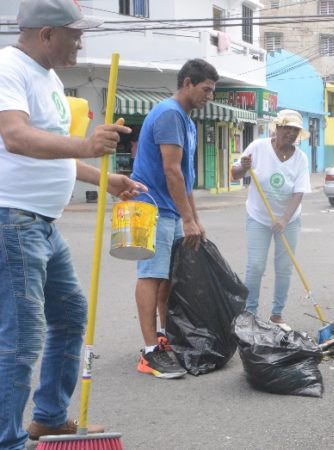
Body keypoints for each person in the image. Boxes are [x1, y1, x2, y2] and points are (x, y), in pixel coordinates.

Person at [0, 1, 144, 446]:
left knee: (69, 316)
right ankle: (8, 440)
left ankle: (48, 416)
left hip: (41, 222)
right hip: (14, 219)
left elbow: (59, 153)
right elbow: (16, 136)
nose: (81, 41)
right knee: (23, 338)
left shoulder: (51, 77)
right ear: (46, 33)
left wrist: (107, 178)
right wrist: (85, 145)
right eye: (74, 33)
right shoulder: (9, 68)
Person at [130, 58, 219, 379]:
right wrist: (187, 218)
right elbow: (170, 171)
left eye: (212, 91)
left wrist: (195, 218)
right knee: (151, 275)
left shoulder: (187, 121)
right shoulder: (169, 114)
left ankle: (163, 336)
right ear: (188, 84)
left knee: (168, 278)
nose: (209, 96)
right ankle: (150, 351)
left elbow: (186, 175)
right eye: (206, 90)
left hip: (169, 208)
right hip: (152, 206)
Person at [231, 110, 311, 331]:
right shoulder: (258, 147)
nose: (291, 134)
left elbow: (299, 192)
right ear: (277, 128)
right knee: (255, 265)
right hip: (258, 216)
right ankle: (250, 314)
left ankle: (277, 315)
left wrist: (285, 219)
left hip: (289, 219)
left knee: (284, 267)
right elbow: (234, 174)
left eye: (295, 130)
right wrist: (243, 167)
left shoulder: (301, 158)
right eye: (288, 129)